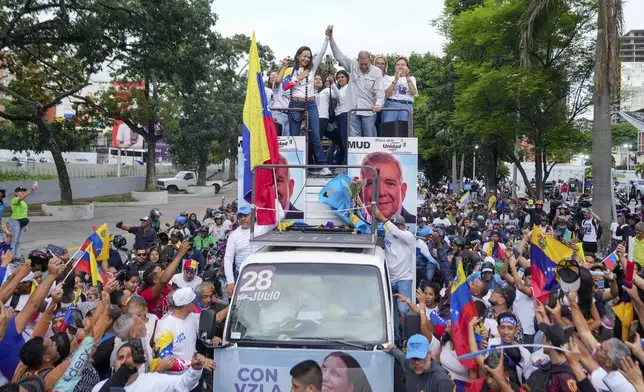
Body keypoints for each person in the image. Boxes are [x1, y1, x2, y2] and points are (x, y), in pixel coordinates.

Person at [282, 38, 331, 174]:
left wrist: (327, 37)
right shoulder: (291, 71)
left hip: (310, 103)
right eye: (304, 56)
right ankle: (294, 166)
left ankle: (323, 165)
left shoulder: (312, 68)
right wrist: (298, 78)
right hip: (295, 104)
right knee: (294, 135)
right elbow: (284, 86)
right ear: (298, 56)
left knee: (315, 135)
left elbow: (321, 52)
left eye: (309, 57)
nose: (306, 59)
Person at [326, 25, 384, 137]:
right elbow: (339, 56)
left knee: (370, 137)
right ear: (358, 61)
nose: (363, 66)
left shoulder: (376, 72)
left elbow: (380, 91)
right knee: (354, 140)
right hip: (352, 109)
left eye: (366, 64)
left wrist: (378, 104)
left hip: (369, 110)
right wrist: (331, 38)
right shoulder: (352, 65)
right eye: (361, 64)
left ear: (370, 60)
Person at [224, 204, 284, 297]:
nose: (243, 218)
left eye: (246, 216)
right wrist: (230, 282)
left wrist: (273, 192)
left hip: (263, 274)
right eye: (241, 216)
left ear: (253, 215)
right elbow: (228, 259)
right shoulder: (234, 236)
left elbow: (280, 215)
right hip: (242, 274)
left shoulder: (263, 228)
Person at [384, 334, 454, 392]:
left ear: (429, 355)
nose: (416, 363)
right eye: (413, 358)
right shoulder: (408, 363)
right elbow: (400, 356)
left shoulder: (441, 380)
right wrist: (392, 349)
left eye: (421, 358)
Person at [359, 151, 415, 223]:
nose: (381, 192)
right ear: (361, 192)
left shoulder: (413, 223)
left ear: (402, 191)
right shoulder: (353, 224)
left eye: (390, 183)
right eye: (372, 184)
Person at [382, 57, 418, 132]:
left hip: (406, 106)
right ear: (395, 67)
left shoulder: (412, 78)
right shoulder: (388, 78)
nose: (400, 66)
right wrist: (395, 80)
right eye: (398, 64)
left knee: (404, 130)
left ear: (407, 67)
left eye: (403, 65)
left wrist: (407, 76)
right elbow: (387, 94)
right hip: (391, 104)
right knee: (388, 129)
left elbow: (413, 92)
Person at [9, 185, 36, 258]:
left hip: (22, 222)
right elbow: (21, 198)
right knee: (14, 241)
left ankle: (17, 257)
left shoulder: (23, 202)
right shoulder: (15, 199)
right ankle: (11, 257)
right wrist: (31, 190)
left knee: (19, 241)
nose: (22, 192)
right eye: (20, 191)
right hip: (15, 221)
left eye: (23, 191)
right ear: (16, 193)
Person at [277, 154, 304, 220]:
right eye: (267, 181)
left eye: (279, 180)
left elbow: (326, 195)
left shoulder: (300, 217)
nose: (273, 187)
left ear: (290, 187)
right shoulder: (254, 217)